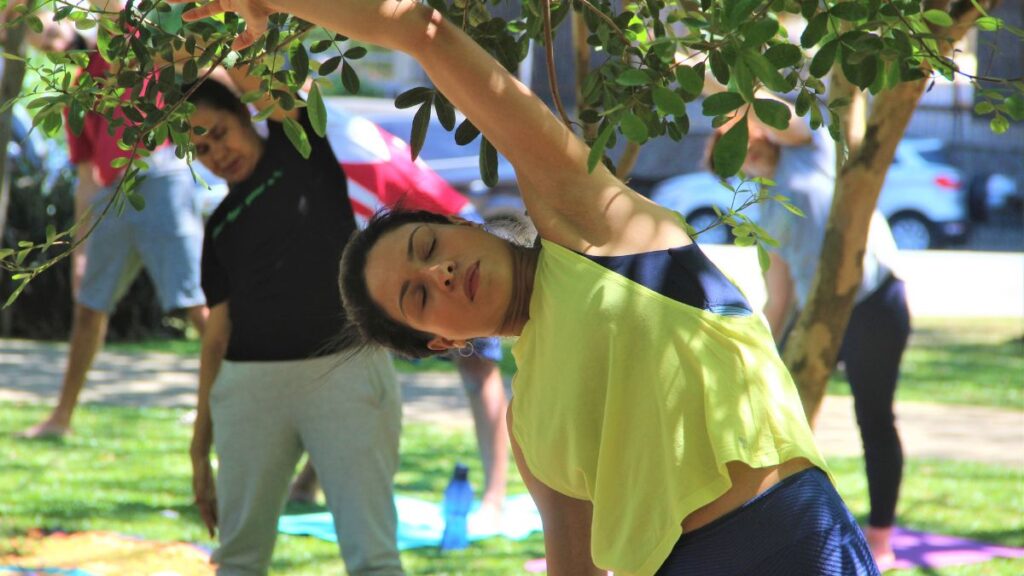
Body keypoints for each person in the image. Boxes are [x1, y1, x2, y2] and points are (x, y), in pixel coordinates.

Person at [174, 1, 881, 574]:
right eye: (419, 296)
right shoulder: (529, 426)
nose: (439, 273)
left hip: (792, 538)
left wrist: (263, 11)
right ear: (442, 342)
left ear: (464, 225)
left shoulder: (593, 226)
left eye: (429, 248)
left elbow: (424, 35)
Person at [184, 69, 404, 574]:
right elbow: (215, 337)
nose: (217, 153)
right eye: (201, 151)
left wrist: (210, 42)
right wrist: (200, 447)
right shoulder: (219, 226)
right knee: (238, 559)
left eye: (219, 132)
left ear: (244, 114)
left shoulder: (301, 149)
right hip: (249, 390)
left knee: (373, 556)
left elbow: (266, 77)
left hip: (345, 372)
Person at [284, 104, 510, 524]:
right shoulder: (305, 143)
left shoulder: (328, 130)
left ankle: (494, 496)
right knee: (354, 365)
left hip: (451, 234)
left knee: (479, 370)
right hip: (396, 263)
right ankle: (308, 480)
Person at [709, 106, 910, 569]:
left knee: (874, 418)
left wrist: (723, 72)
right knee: (787, 428)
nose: (745, 160)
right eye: (733, 160)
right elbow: (778, 297)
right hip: (815, 315)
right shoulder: (765, 206)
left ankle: (881, 536)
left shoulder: (809, 150)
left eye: (741, 146)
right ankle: (790, 528)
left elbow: (772, 110)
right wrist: (758, 352)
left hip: (874, 301)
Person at [19, 4, 208, 439]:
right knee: (89, 307)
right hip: (110, 194)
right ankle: (60, 418)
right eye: (41, 46)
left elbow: (119, 9)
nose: (51, 46)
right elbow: (86, 179)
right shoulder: (77, 95)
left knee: (195, 302)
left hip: (159, 177)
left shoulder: (128, 46)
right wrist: (79, 252)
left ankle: (213, 408)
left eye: (48, 33)